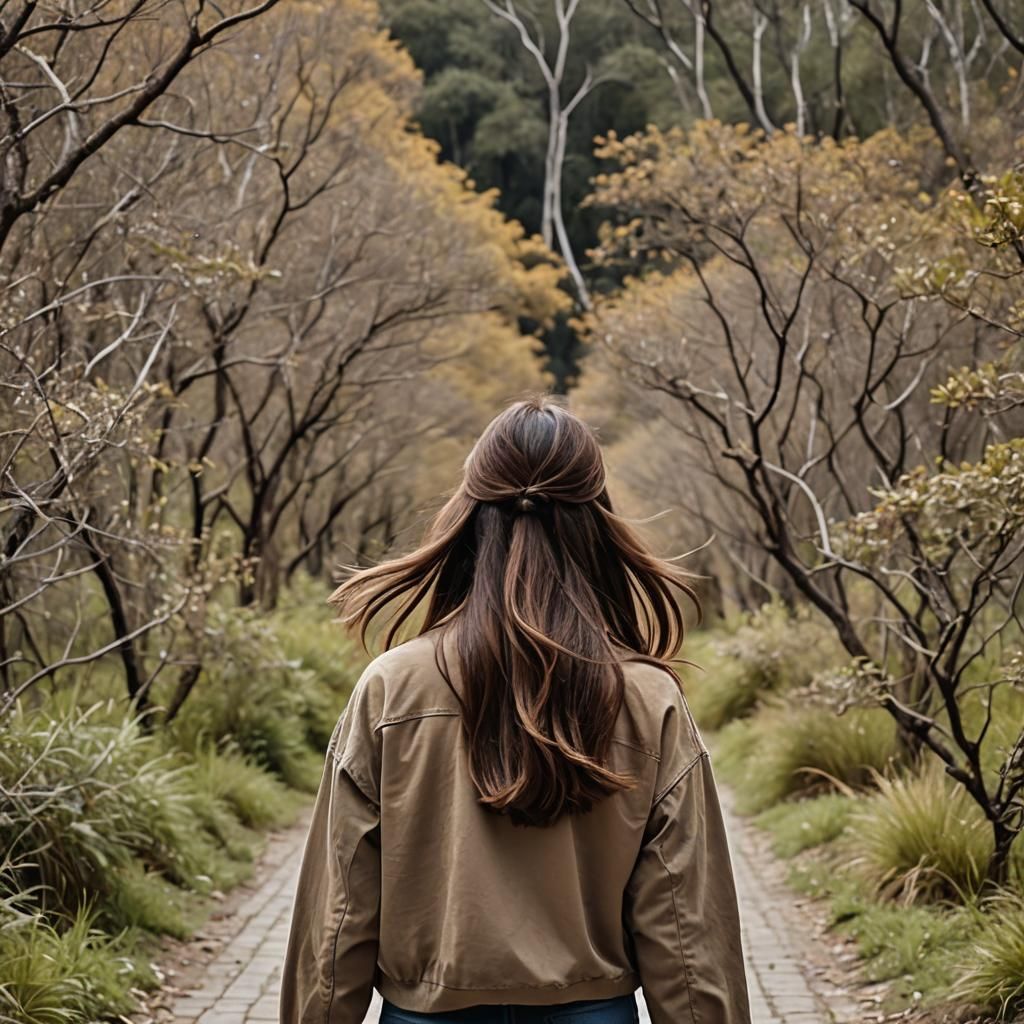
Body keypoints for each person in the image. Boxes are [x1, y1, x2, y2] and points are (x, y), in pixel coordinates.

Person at [279, 396, 752, 1024]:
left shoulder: (392, 687)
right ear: (595, 522)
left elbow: (338, 912)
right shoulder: (649, 698)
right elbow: (686, 926)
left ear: (470, 516)